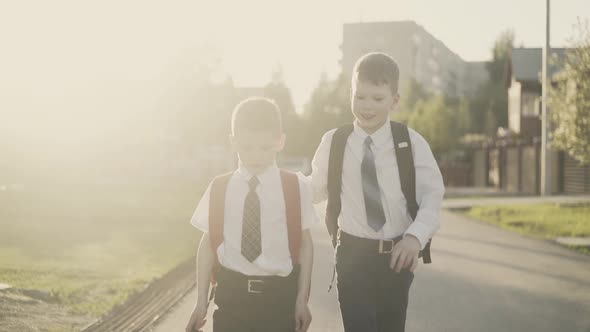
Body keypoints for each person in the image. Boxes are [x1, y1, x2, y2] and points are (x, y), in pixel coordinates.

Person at [310, 52, 445, 332]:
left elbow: (433, 196)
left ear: (395, 101)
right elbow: (312, 189)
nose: (367, 106)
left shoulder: (410, 143)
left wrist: (414, 238)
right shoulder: (334, 142)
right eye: (359, 97)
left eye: (377, 98)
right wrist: (274, 187)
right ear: (351, 94)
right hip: (351, 255)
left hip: (397, 257)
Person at [185, 97, 317, 332]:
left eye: (265, 148)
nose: (256, 156)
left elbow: (305, 246)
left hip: (279, 302)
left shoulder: (295, 186)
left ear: (280, 141)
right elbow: (207, 246)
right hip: (231, 299)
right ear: (233, 142)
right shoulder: (220, 188)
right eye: (247, 147)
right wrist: (200, 302)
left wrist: (301, 300)